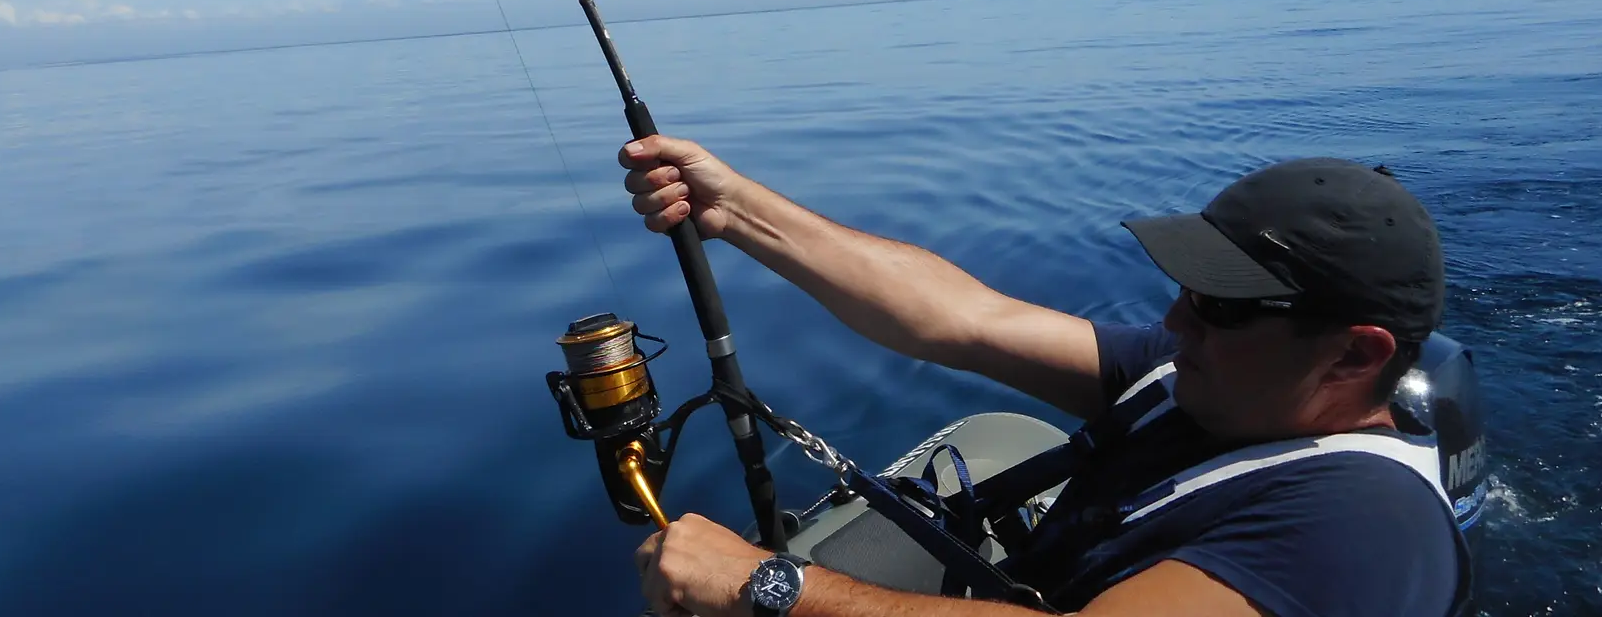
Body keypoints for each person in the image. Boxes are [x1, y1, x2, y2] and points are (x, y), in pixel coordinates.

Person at [620, 136, 1468, 617]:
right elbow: (961, 319)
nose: (1175, 322)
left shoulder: (1363, 526)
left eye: (1226, 306)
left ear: (1357, 356)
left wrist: (762, 583)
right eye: (1188, 291)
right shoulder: (1199, 381)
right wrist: (737, 212)